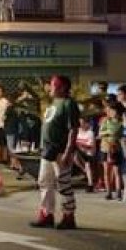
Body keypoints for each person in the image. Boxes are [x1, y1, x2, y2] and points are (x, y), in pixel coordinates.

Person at [30, 75, 80, 230]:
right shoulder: (54, 103)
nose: (50, 88)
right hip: (48, 150)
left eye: (53, 85)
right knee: (44, 182)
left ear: (63, 87)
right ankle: (46, 213)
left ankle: (68, 216)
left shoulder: (68, 104)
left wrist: (67, 152)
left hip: (59, 151)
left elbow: (73, 129)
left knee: (64, 184)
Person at [98, 99, 123, 200]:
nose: (111, 112)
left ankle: (118, 192)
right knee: (106, 171)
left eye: (113, 110)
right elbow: (100, 133)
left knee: (117, 171)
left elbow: (122, 133)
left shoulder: (121, 122)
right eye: (110, 110)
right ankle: (108, 192)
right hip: (105, 148)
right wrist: (108, 132)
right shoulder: (106, 121)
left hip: (116, 149)